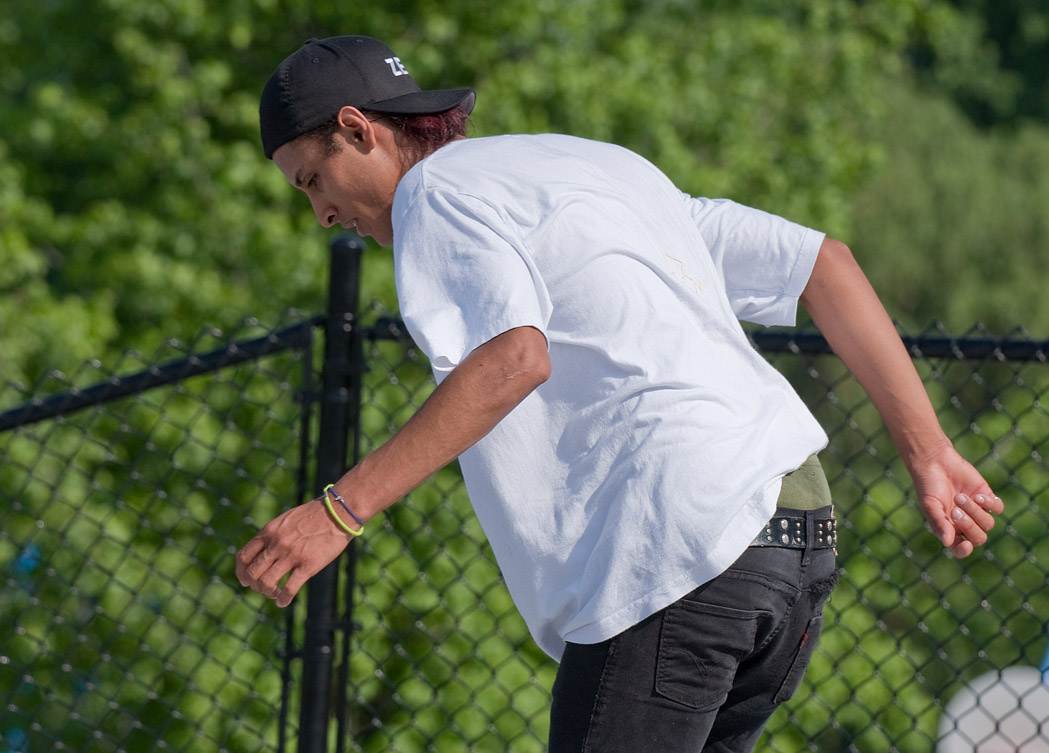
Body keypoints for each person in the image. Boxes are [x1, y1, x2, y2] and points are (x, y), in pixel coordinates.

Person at [236, 35, 1004, 752]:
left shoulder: (432, 192)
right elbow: (822, 264)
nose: (322, 214)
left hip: (678, 545)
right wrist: (928, 450)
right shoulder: (597, 169)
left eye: (313, 180)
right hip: (791, 540)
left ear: (357, 128)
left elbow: (512, 358)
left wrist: (338, 511)